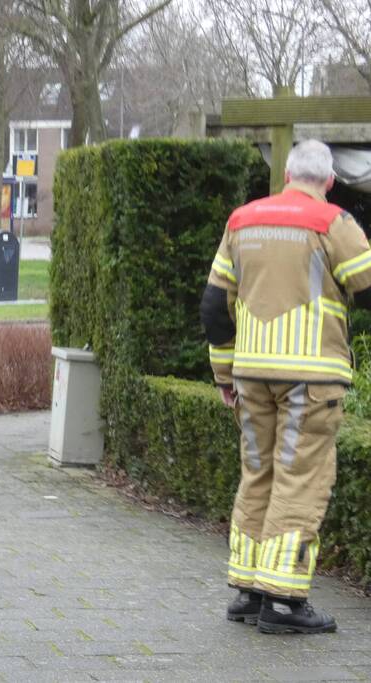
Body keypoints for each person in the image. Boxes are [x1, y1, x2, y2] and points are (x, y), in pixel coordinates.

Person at [201, 140, 371, 634]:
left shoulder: (242, 220)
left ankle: (249, 592)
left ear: (288, 174)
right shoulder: (332, 222)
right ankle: (283, 600)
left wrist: (224, 373)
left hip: (251, 375)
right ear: (330, 181)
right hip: (311, 379)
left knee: (258, 474)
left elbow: (214, 307)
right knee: (301, 480)